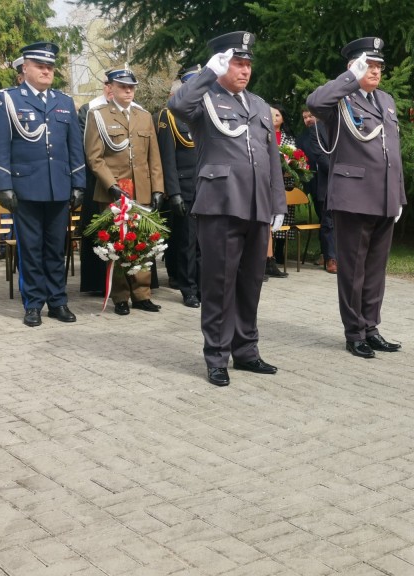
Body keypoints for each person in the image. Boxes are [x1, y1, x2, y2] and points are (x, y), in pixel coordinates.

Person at [169, 31, 287, 387]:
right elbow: (176, 107)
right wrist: (207, 73)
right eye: (237, 62)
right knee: (219, 284)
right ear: (222, 63)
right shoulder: (204, 99)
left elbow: (272, 159)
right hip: (221, 204)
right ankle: (216, 356)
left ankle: (246, 351)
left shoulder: (259, 105)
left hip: (256, 206)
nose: (244, 70)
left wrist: (278, 201)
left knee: (251, 283)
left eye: (248, 64)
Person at [307, 36, 406, 359]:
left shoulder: (386, 101)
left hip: (384, 197)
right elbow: (314, 102)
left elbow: (393, 152)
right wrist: (350, 77)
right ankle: (354, 332)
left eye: (378, 65)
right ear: (354, 66)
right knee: (353, 269)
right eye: (369, 65)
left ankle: (371, 327)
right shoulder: (340, 100)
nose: (375, 71)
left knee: (376, 268)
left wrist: (399, 196)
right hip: (352, 197)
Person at [0, 42, 85, 327]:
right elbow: (1, 147)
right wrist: (4, 185)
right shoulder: (9, 100)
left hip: (59, 187)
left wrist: (78, 183)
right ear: (25, 68)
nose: (47, 70)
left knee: (56, 249)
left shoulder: (63, 101)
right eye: (40, 66)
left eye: (50, 66)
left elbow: (75, 148)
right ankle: (33, 303)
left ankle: (57, 301)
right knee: (31, 249)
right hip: (26, 189)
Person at [84, 67, 165, 315]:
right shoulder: (97, 115)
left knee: (143, 241)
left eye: (131, 87)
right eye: (123, 87)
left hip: (141, 189)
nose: (128, 91)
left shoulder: (143, 116)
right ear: (111, 88)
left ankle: (142, 294)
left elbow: (154, 158)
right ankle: (120, 296)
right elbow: (94, 157)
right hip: (113, 190)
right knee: (117, 243)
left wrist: (158, 188)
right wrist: (112, 185)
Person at [156, 65, 202, 308]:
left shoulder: (209, 112)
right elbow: (167, 157)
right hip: (185, 188)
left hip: (209, 186)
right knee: (187, 242)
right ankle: (189, 289)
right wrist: (173, 192)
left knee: (206, 242)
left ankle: (204, 286)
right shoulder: (170, 116)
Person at [77, 71, 113, 295]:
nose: (111, 89)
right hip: (96, 181)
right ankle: (98, 283)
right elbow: (85, 147)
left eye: (115, 85)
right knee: (98, 230)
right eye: (108, 84)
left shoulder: (136, 110)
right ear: (104, 86)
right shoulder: (88, 109)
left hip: (128, 180)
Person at [296, 108, 336, 274]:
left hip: (342, 181)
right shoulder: (310, 134)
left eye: (310, 116)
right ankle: (330, 257)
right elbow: (319, 157)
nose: (308, 120)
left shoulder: (337, 127)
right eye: (304, 117)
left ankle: (336, 255)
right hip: (321, 183)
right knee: (327, 220)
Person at [266, 104, 291, 278]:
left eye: (277, 114)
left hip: (276, 183)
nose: (275, 118)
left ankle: (270, 260)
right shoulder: (261, 132)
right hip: (260, 181)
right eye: (272, 114)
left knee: (269, 224)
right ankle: (264, 261)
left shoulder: (286, 138)